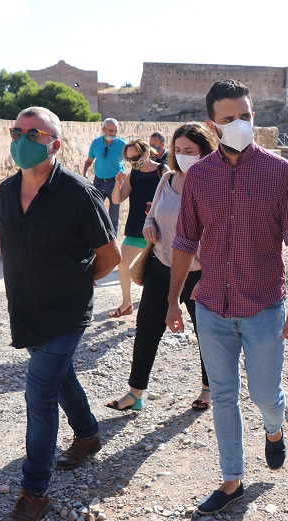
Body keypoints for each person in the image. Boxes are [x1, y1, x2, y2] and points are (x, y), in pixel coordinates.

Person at [166, 79, 288, 515]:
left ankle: (274, 428)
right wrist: (173, 300)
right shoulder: (199, 177)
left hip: (263, 306)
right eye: (229, 118)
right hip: (211, 306)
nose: (239, 124)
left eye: (245, 115)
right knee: (223, 396)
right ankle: (232, 480)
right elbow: (184, 241)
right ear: (212, 124)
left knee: (265, 395)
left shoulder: (280, 172)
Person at [0, 106, 121, 521]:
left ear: (55, 144)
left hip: (66, 311)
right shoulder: (6, 191)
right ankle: (88, 434)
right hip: (25, 310)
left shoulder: (79, 193)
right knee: (60, 378)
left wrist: (76, 283)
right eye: (17, 132)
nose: (22, 139)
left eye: (34, 134)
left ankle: (34, 491)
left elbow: (110, 256)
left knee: (39, 394)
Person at [105, 123, 216, 413]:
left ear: (204, 151)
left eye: (189, 150)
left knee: (205, 333)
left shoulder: (214, 184)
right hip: (160, 266)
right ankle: (135, 393)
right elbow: (150, 216)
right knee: (146, 329)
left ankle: (208, 389)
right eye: (178, 150)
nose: (182, 155)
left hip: (198, 273)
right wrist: (150, 226)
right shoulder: (167, 179)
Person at [109, 139, 169, 318]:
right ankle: (126, 304)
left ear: (146, 152)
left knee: (160, 270)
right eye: (130, 159)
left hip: (160, 230)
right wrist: (118, 183)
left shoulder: (162, 171)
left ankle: (166, 305)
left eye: (136, 157)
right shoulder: (133, 175)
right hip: (137, 229)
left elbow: (174, 196)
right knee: (122, 263)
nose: (133, 162)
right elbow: (117, 199)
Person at [83, 118, 125, 232]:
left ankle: (113, 239)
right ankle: (97, 237)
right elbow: (89, 161)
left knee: (114, 216)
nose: (113, 133)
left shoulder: (123, 145)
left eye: (115, 131)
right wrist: (84, 174)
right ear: (103, 129)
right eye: (110, 130)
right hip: (98, 182)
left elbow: (132, 159)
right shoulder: (96, 143)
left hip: (115, 183)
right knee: (95, 212)